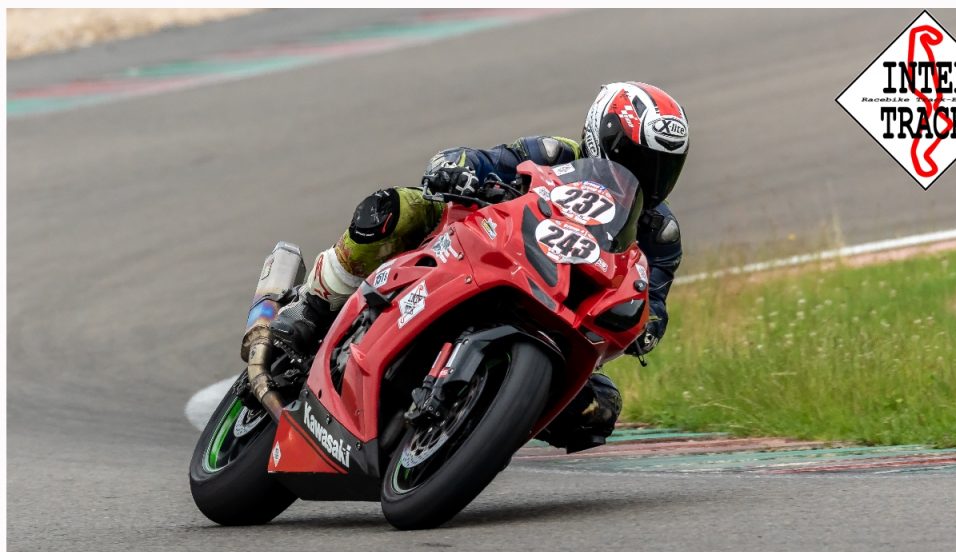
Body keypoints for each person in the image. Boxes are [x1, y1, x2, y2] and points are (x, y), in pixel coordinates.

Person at [269, 82, 689, 452]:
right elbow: (488, 161)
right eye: (637, 158)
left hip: (563, 317)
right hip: (487, 252)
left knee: (599, 409)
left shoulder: (659, 233)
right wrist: (461, 168)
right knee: (394, 210)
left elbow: (653, 301)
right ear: (602, 136)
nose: (650, 176)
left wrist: (647, 327)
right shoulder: (556, 154)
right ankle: (313, 306)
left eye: (664, 167)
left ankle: (484, 419)